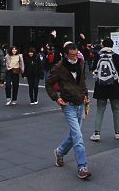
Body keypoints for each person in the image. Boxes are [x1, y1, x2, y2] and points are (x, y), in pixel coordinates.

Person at [47, 42, 91, 180]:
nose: (74, 57)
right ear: (65, 55)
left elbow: (82, 80)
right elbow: (48, 83)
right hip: (68, 105)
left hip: (80, 103)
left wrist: (86, 95)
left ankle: (59, 152)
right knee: (78, 136)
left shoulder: (81, 63)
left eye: (76, 54)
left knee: (74, 135)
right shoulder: (59, 68)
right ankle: (82, 167)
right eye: (71, 55)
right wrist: (56, 98)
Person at [91, 37, 119, 142]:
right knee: (116, 110)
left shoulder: (98, 56)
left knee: (100, 110)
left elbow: (93, 69)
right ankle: (117, 133)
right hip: (113, 86)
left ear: (103, 45)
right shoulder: (116, 56)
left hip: (100, 86)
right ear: (112, 46)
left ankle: (97, 133)